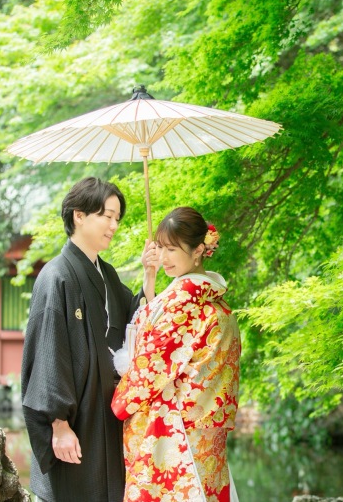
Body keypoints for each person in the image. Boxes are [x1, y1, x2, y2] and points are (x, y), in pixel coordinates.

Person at [21, 176, 157, 502]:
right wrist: (58, 425)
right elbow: (48, 352)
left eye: (117, 218)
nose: (113, 225)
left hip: (106, 414)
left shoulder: (106, 273)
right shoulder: (56, 276)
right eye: (106, 215)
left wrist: (149, 275)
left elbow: (136, 320)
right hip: (76, 420)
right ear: (79, 216)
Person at [111, 206, 240, 502]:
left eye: (172, 249)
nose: (164, 257)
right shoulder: (212, 298)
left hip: (174, 431)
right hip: (205, 430)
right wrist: (150, 280)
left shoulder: (182, 301)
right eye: (160, 248)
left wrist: (121, 402)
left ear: (197, 250)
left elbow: (151, 363)